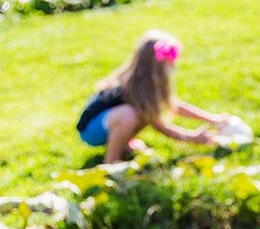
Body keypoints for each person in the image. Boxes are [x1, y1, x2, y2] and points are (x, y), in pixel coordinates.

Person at [76, 30, 229, 163]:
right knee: (130, 114)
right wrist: (192, 137)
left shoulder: (149, 84)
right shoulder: (133, 87)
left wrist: (211, 118)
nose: (173, 65)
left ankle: (125, 144)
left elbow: (173, 105)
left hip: (108, 123)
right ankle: (111, 160)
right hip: (90, 130)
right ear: (156, 66)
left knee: (136, 114)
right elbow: (160, 125)